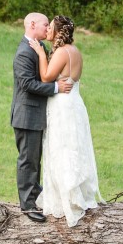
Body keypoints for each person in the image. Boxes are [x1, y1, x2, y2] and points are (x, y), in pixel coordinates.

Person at [27, 15, 102, 227]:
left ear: (59, 31)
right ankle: (74, 194)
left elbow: (45, 78)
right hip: (75, 103)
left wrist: (41, 53)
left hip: (62, 106)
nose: (47, 30)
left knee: (61, 149)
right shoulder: (75, 52)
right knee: (73, 148)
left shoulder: (61, 52)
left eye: (50, 27)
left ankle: (66, 200)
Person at [12, 12, 72, 223]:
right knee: (28, 161)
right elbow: (27, 84)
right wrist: (56, 87)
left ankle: (37, 197)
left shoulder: (38, 48)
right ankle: (27, 206)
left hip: (37, 114)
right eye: (45, 25)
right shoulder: (23, 53)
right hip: (26, 115)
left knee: (35, 159)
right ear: (32, 25)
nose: (48, 29)